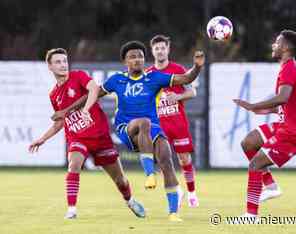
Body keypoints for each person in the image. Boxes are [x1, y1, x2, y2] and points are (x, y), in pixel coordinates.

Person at [51, 41, 205, 221]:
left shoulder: (154, 78)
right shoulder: (117, 80)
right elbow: (90, 95)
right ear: (125, 62)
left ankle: (173, 213)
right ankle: (149, 174)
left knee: (166, 159)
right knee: (143, 122)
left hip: (151, 128)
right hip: (126, 128)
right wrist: (66, 110)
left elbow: (186, 79)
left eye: (140, 56)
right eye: (132, 57)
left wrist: (197, 67)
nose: (137, 60)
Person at [29, 48, 145, 219]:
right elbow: (61, 120)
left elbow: (95, 89)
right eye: (58, 62)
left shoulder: (78, 76)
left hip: (100, 137)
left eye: (64, 61)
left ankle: (129, 200)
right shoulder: (53, 94)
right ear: (50, 67)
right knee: (74, 164)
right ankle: (71, 210)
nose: (63, 65)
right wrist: (42, 139)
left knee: (120, 180)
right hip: (77, 138)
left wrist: (86, 109)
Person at [233, 30, 296, 221]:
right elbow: (293, 103)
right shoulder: (290, 68)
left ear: (286, 47)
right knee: (249, 142)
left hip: (295, 132)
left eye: (277, 42)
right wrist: (268, 111)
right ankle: (271, 187)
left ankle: (251, 215)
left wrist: (253, 106)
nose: (273, 45)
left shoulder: (289, 69)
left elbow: (282, 97)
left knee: (255, 164)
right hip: (288, 124)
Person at [142, 34, 199, 208]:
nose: (160, 51)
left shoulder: (178, 69)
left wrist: (178, 96)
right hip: (159, 125)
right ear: (153, 51)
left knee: (184, 159)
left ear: (168, 49)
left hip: (178, 123)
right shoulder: (148, 74)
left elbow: (192, 92)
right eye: (157, 48)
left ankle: (191, 193)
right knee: (163, 160)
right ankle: (177, 190)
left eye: (163, 47)